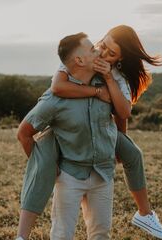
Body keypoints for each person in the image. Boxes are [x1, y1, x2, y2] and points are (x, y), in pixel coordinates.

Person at [16, 26, 162, 240]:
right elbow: (57, 88)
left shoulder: (116, 77)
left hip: (102, 169)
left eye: (111, 53)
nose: (101, 53)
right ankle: (21, 235)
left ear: (120, 59)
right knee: (45, 157)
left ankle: (145, 214)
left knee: (133, 154)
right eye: (101, 46)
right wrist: (97, 92)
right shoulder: (75, 61)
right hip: (71, 169)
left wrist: (118, 140)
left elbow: (122, 113)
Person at [18, 32, 117, 239]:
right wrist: (46, 165)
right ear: (79, 60)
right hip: (70, 176)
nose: (99, 50)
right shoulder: (55, 100)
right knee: (62, 235)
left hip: (103, 174)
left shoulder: (107, 85)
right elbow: (24, 134)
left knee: (101, 234)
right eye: (92, 50)